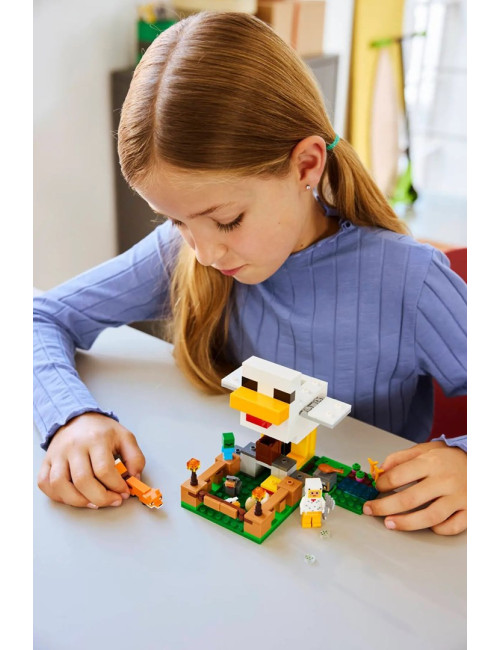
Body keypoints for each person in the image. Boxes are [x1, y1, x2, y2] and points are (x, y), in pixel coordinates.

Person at [33, 11, 467, 534]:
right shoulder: (182, 252)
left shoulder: (409, 280)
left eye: (227, 220)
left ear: (306, 165)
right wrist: (72, 418)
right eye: (177, 221)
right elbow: (39, 317)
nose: (204, 253)